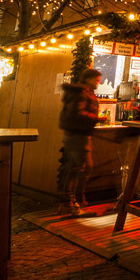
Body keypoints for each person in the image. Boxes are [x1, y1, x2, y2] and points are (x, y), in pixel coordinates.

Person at [58, 69, 102, 215]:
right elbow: (76, 113)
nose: (98, 82)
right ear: (88, 79)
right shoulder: (80, 93)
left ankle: (77, 201)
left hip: (81, 134)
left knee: (84, 168)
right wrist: (97, 119)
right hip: (76, 134)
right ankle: (67, 203)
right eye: (96, 80)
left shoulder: (85, 93)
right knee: (75, 168)